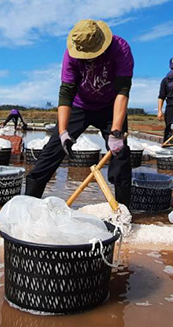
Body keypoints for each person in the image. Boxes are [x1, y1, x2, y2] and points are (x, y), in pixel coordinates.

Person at [25, 19, 134, 206]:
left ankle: (123, 210)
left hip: (110, 106)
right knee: (52, 150)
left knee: (120, 155)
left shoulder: (120, 48)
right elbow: (66, 92)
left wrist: (116, 131)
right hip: (80, 105)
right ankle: (28, 204)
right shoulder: (71, 55)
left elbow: (123, 90)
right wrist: (62, 132)